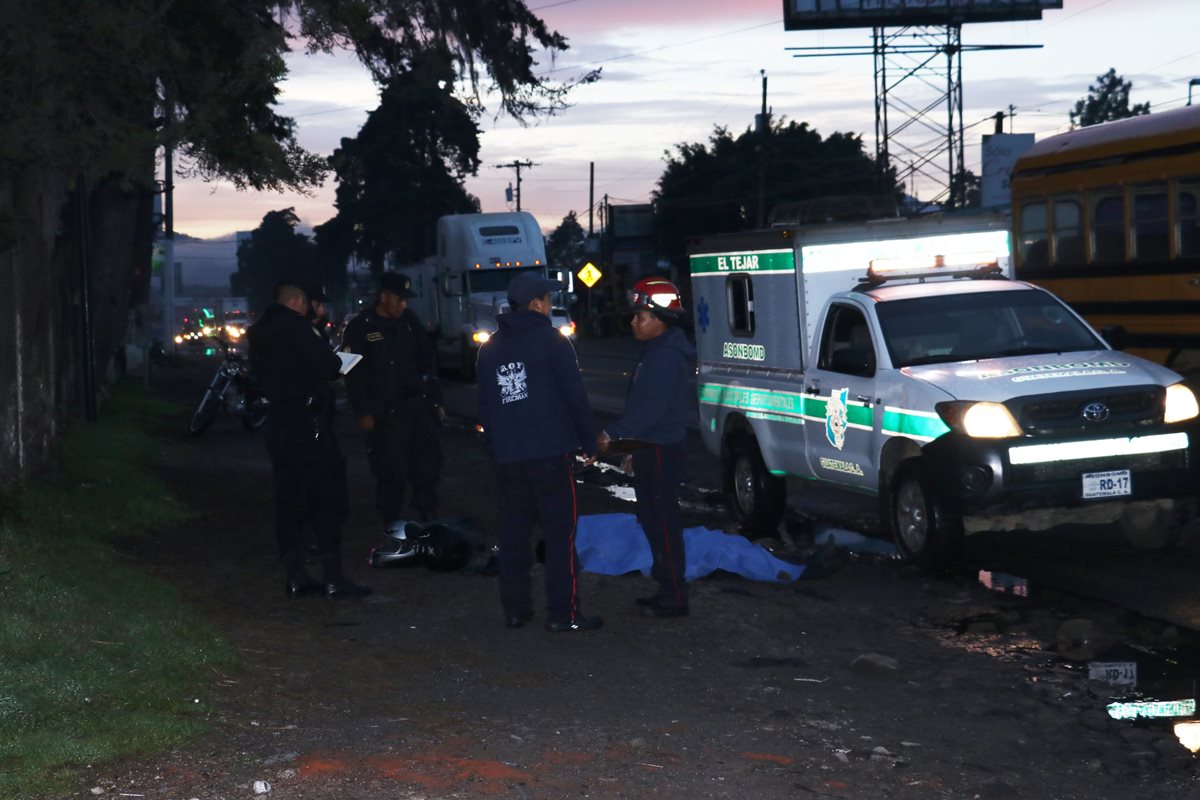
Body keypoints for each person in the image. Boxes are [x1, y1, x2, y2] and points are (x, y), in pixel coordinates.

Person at [476, 272, 602, 632]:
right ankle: (564, 614)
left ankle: (516, 610)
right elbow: (575, 397)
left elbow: (483, 408)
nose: (550, 306)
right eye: (548, 299)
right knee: (560, 537)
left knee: (514, 537)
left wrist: (497, 446)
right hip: (550, 457)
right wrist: (588, 442)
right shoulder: (553, 342)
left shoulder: (491, 348)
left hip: (509, 460)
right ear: (536, 304)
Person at [247, 279, 371, 598]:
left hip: (279, 424)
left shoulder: (259, 330)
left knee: (289, 500)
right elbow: (329, 366)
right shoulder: (297, 327)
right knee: (327, 498)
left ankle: (295, 573)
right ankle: (333, 577)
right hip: (309, 425)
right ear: (298, 301)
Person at [597, 277, 695, 619]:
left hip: (660, 449)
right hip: (650, 446)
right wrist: (629, 448)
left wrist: (614, 433)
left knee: (663, 521)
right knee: (653, 520)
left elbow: (651, 410)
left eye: (640, 316)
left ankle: (675, 596)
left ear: (660, 319)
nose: (633, 321)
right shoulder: (657, 351)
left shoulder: (666, 357)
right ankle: (667, 586)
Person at [341, 272, 444, 526]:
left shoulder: (410, 322)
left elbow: (428, 362)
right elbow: (351, 373)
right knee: (389, 468)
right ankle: (391, 519)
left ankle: (427, 510)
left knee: (426, 463)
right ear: (384, 297)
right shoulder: (360, 327)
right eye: (400, 299)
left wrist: (436, 401)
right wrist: (362, 410)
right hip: (383, 411)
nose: (404, 304)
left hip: (415, 406)